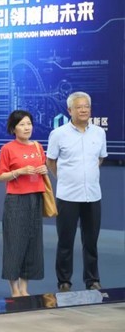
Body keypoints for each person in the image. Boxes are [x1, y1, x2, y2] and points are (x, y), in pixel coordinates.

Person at [46, 91, 107, 292]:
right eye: (79, 107)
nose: (83, 110)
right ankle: (64, 281)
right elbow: (51, 161)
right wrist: (64, 178)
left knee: (91, 242)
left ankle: (93, 280)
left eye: (86, 106)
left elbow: (100, 158)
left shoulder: (99, 133)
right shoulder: (58, 134)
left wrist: (87, 174)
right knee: (65, 242)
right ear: (69, 110)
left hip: (93, 195)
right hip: (68, 196)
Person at [0, 110, 47, 297]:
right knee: (15, 243)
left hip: (36, 198)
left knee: (32, 243)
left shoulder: (38, 146)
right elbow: (0, 176)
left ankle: (25, 288)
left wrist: (43, 170)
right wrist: (19, 172)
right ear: (13, 128)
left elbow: (42, 168)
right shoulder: (7, 149)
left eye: (29, 124)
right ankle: (14, 289)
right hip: (16, 200)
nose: (27, 128)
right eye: (22, 124)